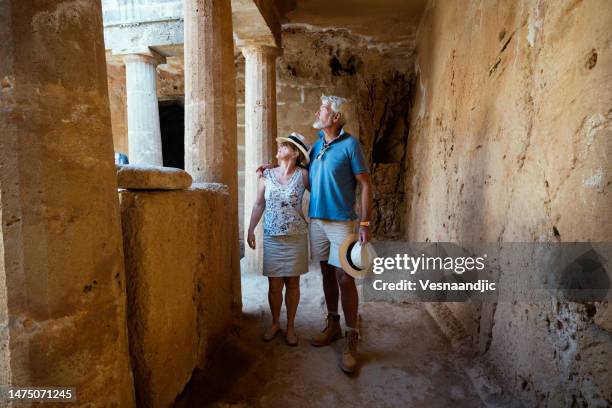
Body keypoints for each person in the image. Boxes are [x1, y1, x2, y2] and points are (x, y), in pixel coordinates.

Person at [258, 95, 373, 373]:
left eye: (322, 110)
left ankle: (351, 334)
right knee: (326, 273)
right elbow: (293, 171)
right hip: (317, 223)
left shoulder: (350, 145)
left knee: (345, 276)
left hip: (342, 222)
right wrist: (268, 168)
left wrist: (365, 223)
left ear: (335, 118)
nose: (317, 113)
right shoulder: (317, 146)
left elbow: (366, 184)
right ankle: (333, 323)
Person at [247, 133, 310, 346]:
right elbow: (258, 204)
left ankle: (290, 326)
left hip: (296, 237)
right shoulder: (267, 175)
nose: (280, 147)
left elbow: (320, 193)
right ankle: (275, 323)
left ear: (295, 153)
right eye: (281, 145)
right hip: (273, 237)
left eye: (286, 146)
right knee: (274, 285)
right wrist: (250, 229)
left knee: (293, 283)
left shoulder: (303, 175)